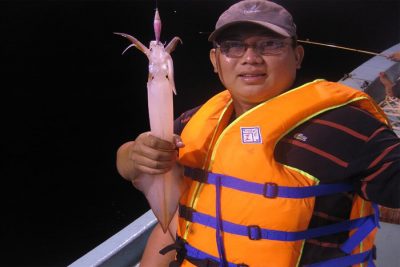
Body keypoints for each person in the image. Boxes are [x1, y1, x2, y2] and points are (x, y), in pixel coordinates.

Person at [116, 0, 400, 266]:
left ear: (297, 55)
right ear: (215, 60)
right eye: (233, 46)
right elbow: (128, 166)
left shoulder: (349, 127)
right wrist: (135, 153)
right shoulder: (194, 120)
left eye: (270, 45)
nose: (250, 58)